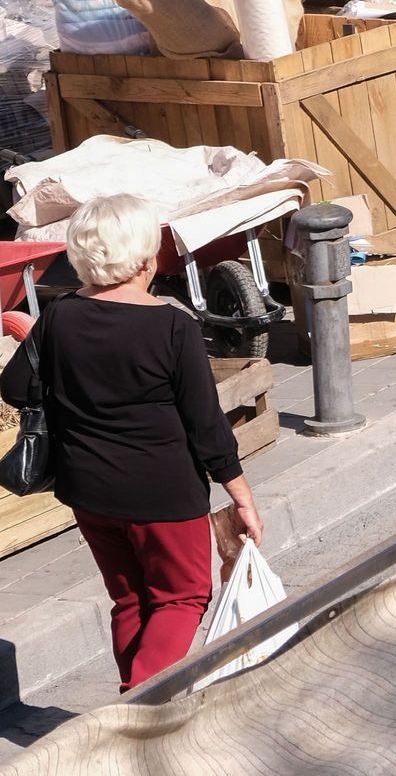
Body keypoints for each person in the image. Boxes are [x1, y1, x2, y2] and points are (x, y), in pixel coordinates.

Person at [0, 194, 264, 691]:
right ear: (147, 258)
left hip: (89, 491)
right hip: (163, 495)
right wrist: (242, 499)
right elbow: (207, 426)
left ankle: (137, 709)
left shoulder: (60, 317)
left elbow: (16, 387)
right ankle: (136, 712)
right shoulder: (173, 327)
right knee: (182, 597)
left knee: (131, 600)